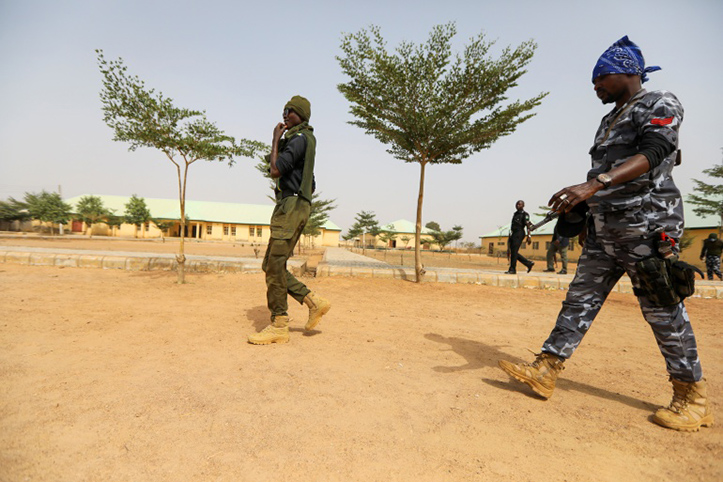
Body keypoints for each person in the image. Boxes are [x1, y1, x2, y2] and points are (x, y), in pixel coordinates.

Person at [498, 36, 713, 431]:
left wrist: (594, 185)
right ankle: (546, 368)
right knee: (579, 300)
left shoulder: (659, 102)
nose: (594, 86)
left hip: (647, 226)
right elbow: (601, 173)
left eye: (600, 78)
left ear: (628, 72)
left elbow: (654, 152)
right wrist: (582, 211)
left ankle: (691, 396)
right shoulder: (609, 118)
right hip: (604, 229)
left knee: (662, 309)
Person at [248, 96, 331, 345]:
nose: (285, 115)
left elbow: (275, 170)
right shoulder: (306, 140)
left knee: (274, 266)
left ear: (301, 114)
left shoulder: (297, 140)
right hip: (297, 205)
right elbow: (312, 182)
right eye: (284, 110)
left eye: (290, 111)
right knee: (270, 265)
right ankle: (313, 301)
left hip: (291, 206)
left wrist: (275, 140)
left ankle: (279, 324)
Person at [505, 200, 535, 274]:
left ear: (523, 205)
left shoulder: (525, 214)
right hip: (513, 233)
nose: (518, 205)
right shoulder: (515, 214)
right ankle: (528, 263)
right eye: (517, 204)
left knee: (514, 252)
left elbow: (528, 225)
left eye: (520, 204)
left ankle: (512, 269)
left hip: (519, 233)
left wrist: (529, 236)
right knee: (513, 252)